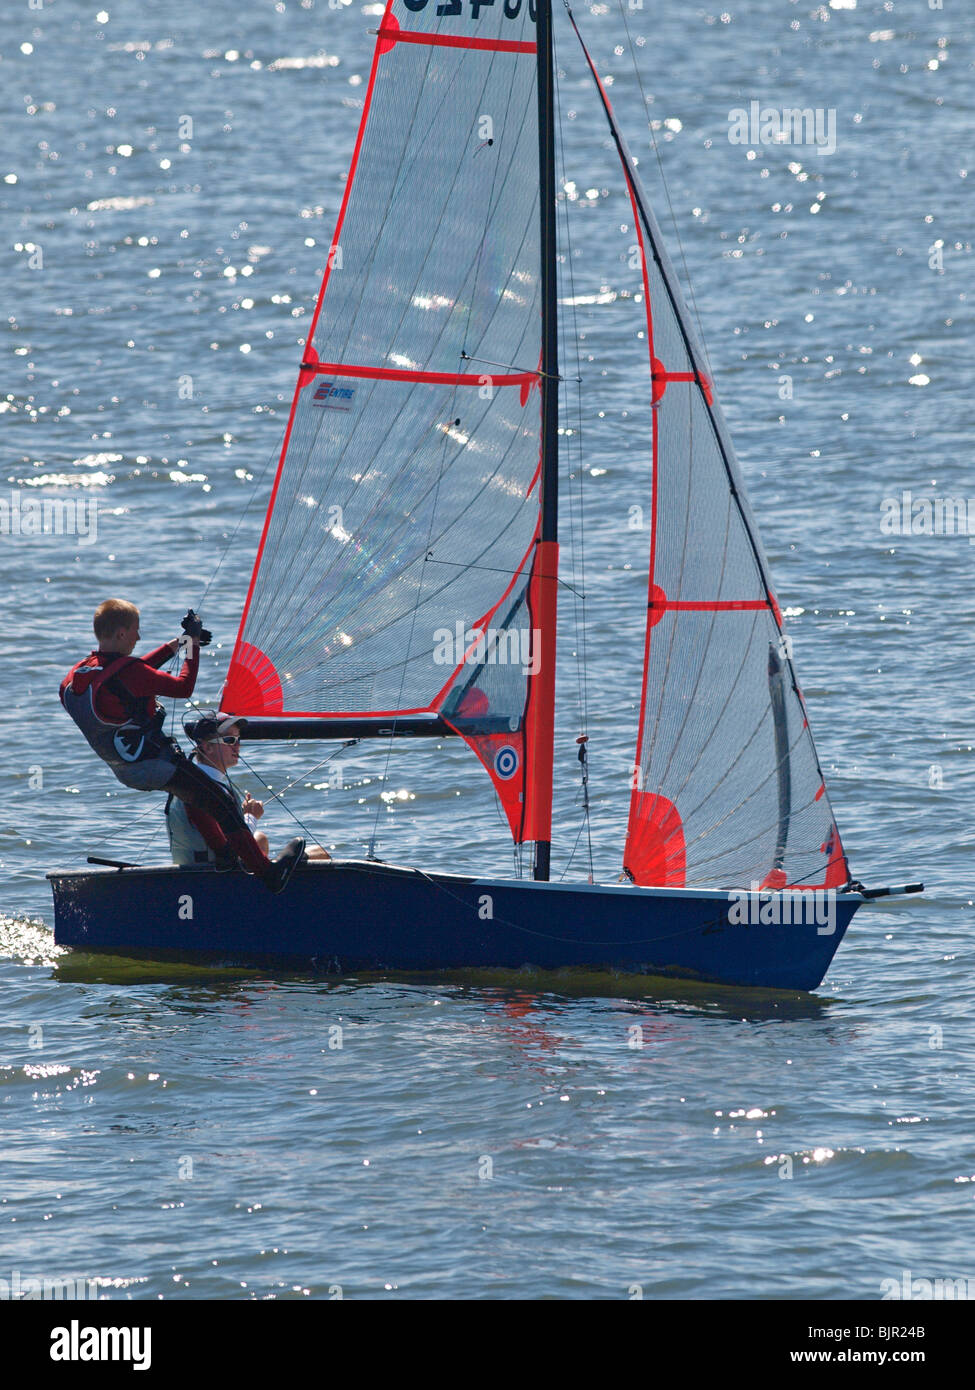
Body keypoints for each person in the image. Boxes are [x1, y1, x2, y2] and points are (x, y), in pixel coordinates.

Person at [59, 598, 304, 894]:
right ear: (122, 633)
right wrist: (193, 646)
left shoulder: (79, 676)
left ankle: (226, 858)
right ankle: (268, 874)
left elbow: (127, 674)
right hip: (154, 765)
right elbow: (182, 686)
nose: (139, 637)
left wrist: (179, 643)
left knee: (195, 796)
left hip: (125, 769)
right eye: (136, 631)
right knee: (223, 804)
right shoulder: (130, 674)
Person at [167, 712, 330, 867]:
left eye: (239, 739)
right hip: (210, 875)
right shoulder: (204, 789)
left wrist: (246, 818)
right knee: (320, 853)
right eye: (230, 740)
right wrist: (251, 817)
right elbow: (229, 848)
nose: (237, 746)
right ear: (207, 747)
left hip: (199, 869)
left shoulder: (195, 781)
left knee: (260, 839)